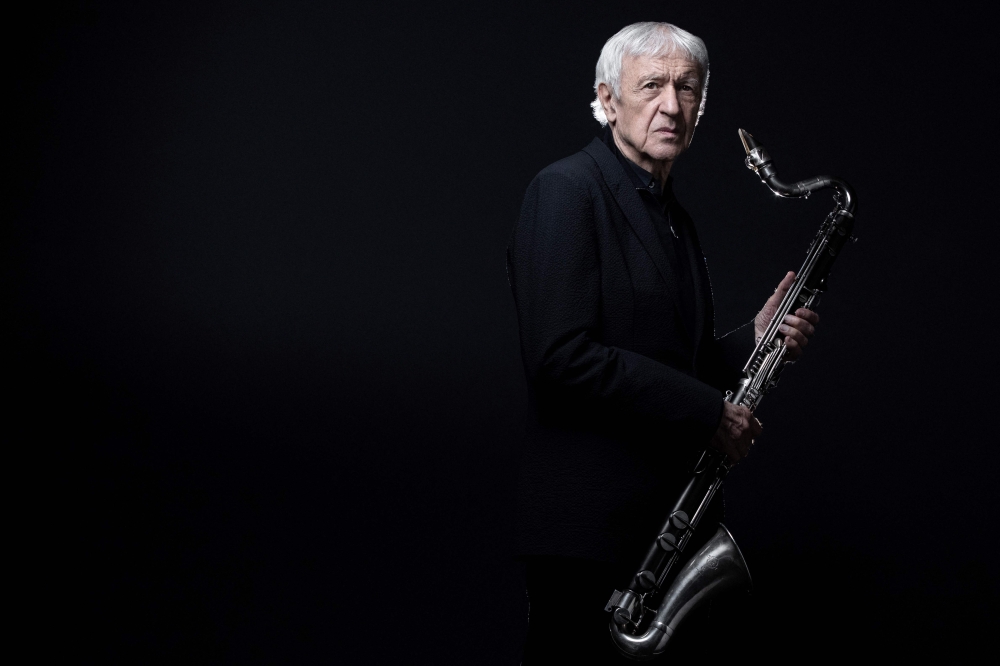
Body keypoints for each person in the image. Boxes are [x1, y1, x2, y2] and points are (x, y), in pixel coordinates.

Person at [506, 22, 819, 663]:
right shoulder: (566, 191)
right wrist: (709, 412)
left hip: (652, 530)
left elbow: (679, 360)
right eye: (651, 85)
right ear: (607, 99)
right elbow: (560, 357)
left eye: (687, 88)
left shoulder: (673, 216)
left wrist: (751, 340)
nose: (672, 106)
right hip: (588, 536)